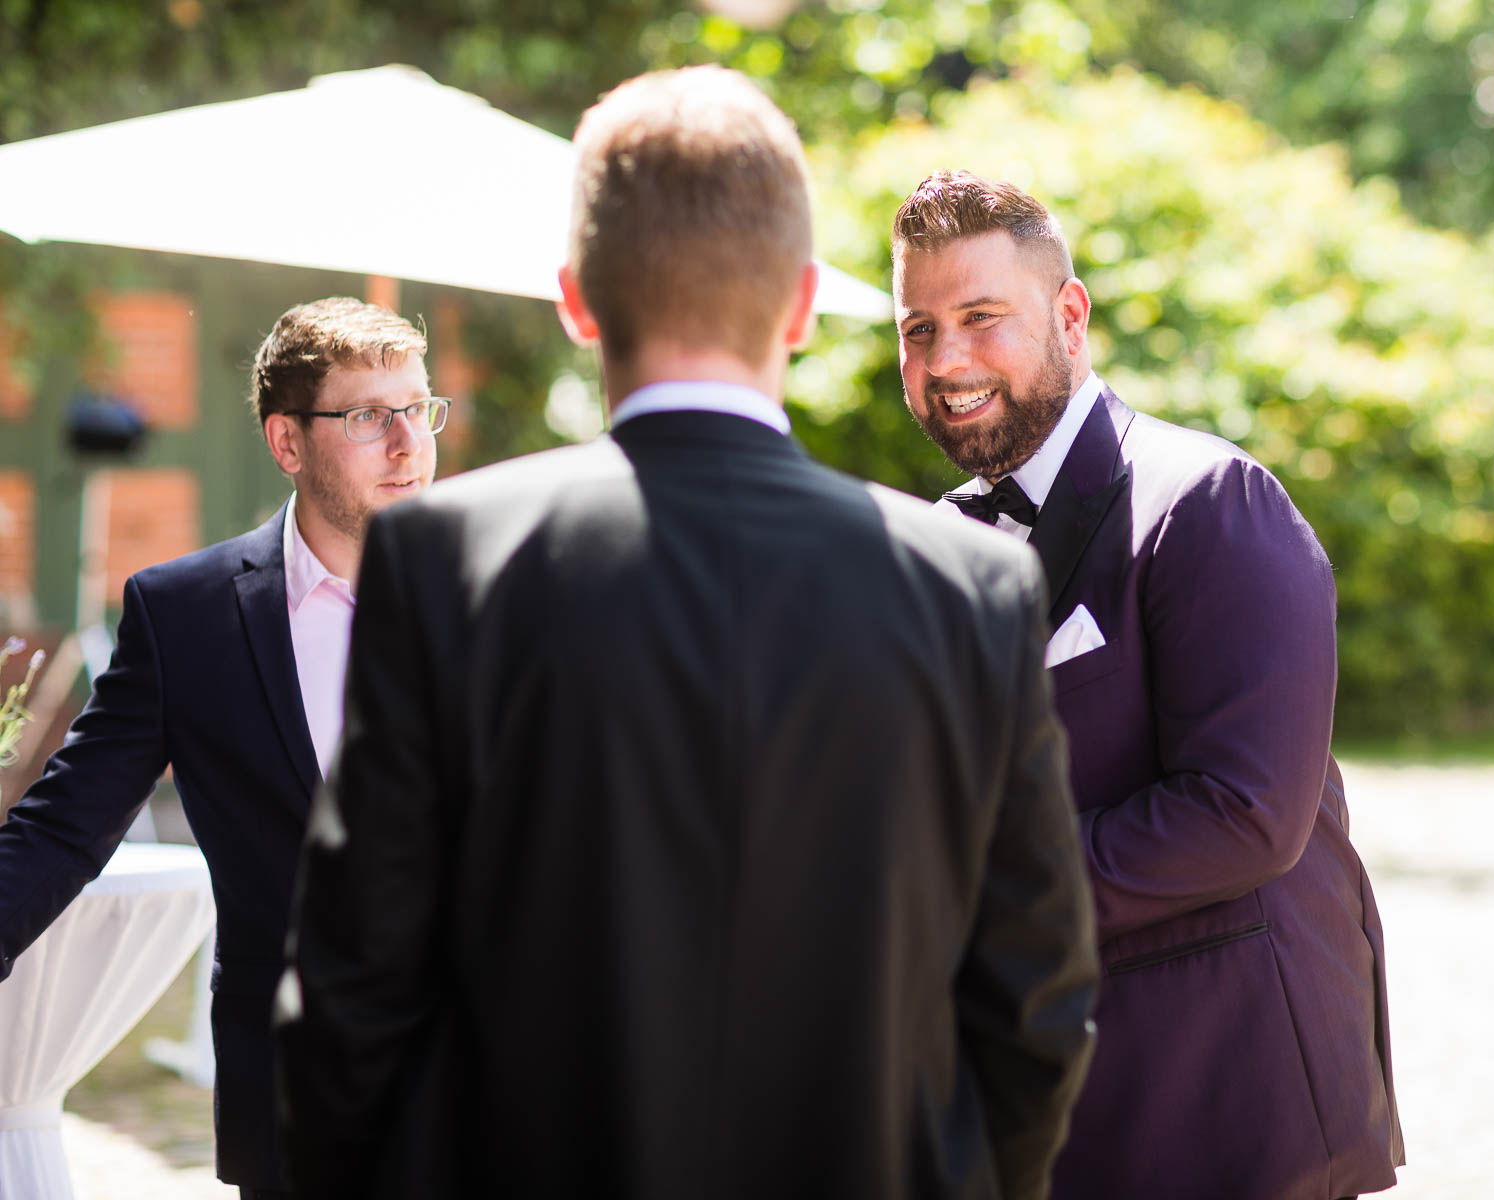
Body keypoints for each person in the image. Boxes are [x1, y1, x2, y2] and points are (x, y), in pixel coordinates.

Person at [274, 67, 1099, 1200]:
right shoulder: (974, 587)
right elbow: (1036, 1007)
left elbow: (351, 1001)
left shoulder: (446, 560)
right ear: (805, 306)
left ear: (575, 299)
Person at [891, 170, 1405, 1200]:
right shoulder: (930, 545)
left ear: (1068, 314)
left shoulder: (1209, 501)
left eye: (981, 318)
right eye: (917, 329)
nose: (946, 361)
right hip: (1046, 1121)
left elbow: (1247, 812)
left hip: (1231, 1109)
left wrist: (979, 890)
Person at [0, 297, 442, 1197]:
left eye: (418, 406)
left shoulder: (509, 589)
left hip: (484, 1082)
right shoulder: (185, 616)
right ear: (288, 443)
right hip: (291, 1097)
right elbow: (62, 828)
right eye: (367, 416)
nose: (407, 442)